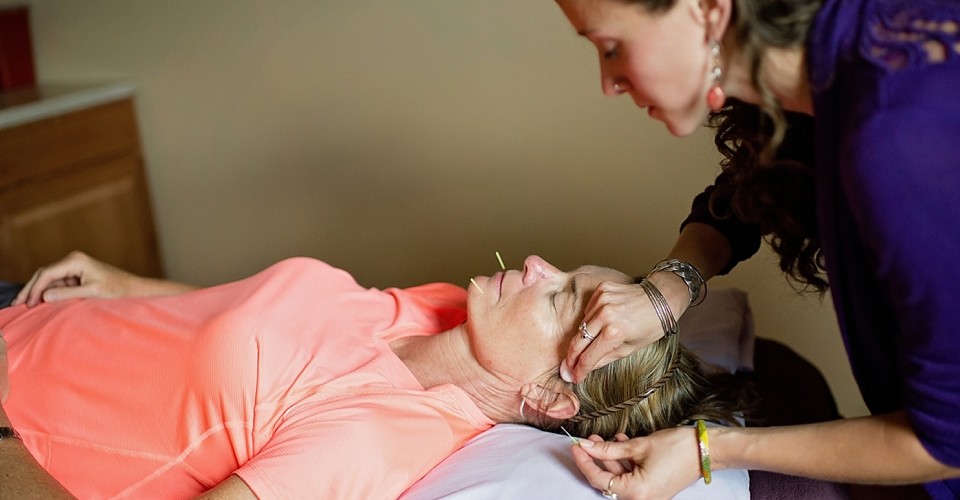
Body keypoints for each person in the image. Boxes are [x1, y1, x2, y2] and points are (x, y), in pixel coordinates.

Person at [551, 0, 960, 498]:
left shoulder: (897, 138)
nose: (608, 83)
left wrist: (709, 449)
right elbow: (754, 191)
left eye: (612, 48)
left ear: (706, 9)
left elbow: (946, 441)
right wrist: (669, 289)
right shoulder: (831, 63)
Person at [0, 251, 738, 499]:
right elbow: (278, 328)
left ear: (546, 396)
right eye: (565, 271)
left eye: (559, 296)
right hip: (29, 311)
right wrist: (125, 285)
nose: (537, 265)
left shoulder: (378, 437)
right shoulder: (448, 311)